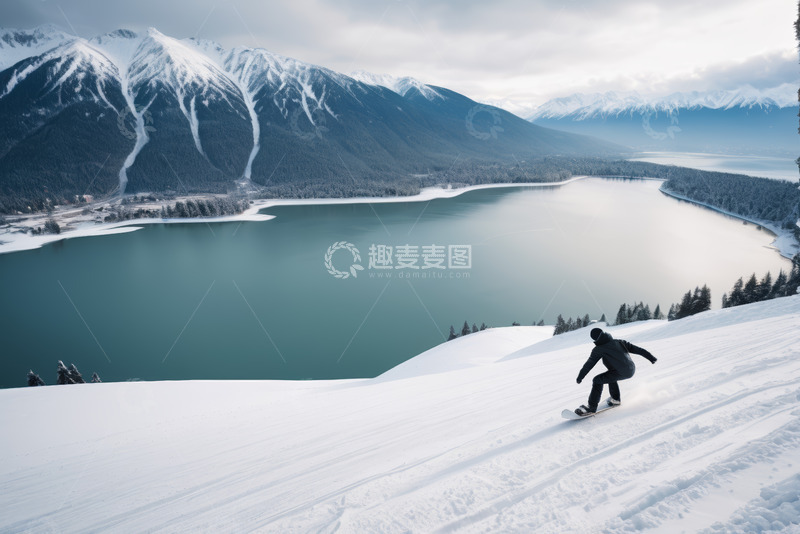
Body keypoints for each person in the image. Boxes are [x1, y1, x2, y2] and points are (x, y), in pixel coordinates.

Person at [575, 327, 657, 416]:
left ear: (595, 339)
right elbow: (637, 349)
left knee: (597, 380)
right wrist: (651, 358)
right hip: (631, 369)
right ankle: (615, 399)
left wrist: (580, 376)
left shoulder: (599, 349)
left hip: (621, 371)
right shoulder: (619, 342)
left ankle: (591, 407)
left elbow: (589, 364)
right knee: (610, 376)